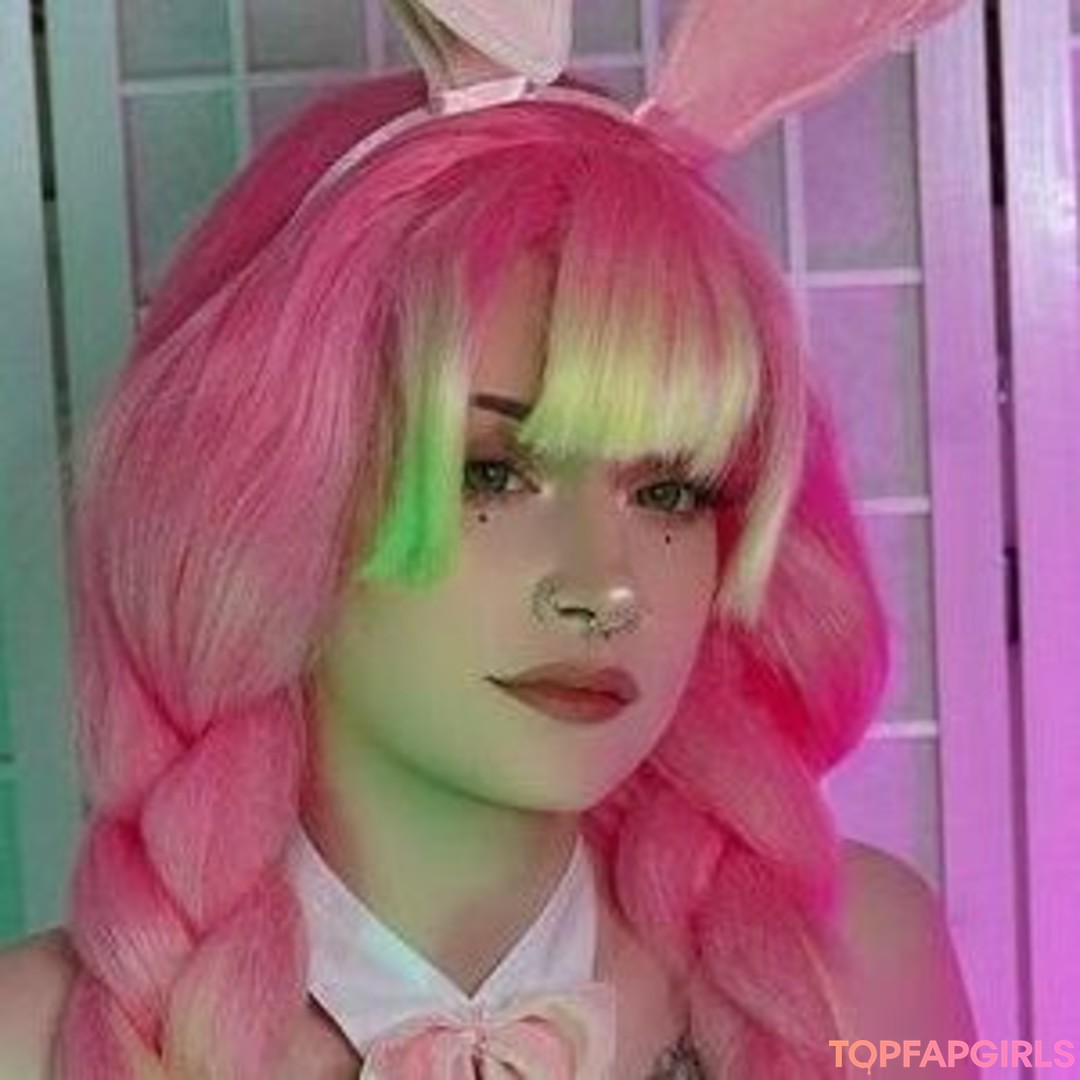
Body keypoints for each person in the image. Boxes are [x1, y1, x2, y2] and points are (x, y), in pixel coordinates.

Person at [0, 2, 978, 1076]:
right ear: (271, 500)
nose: (603, 589)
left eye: (672, 492)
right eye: (492, 474)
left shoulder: (859, 972)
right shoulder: (32, 1039)